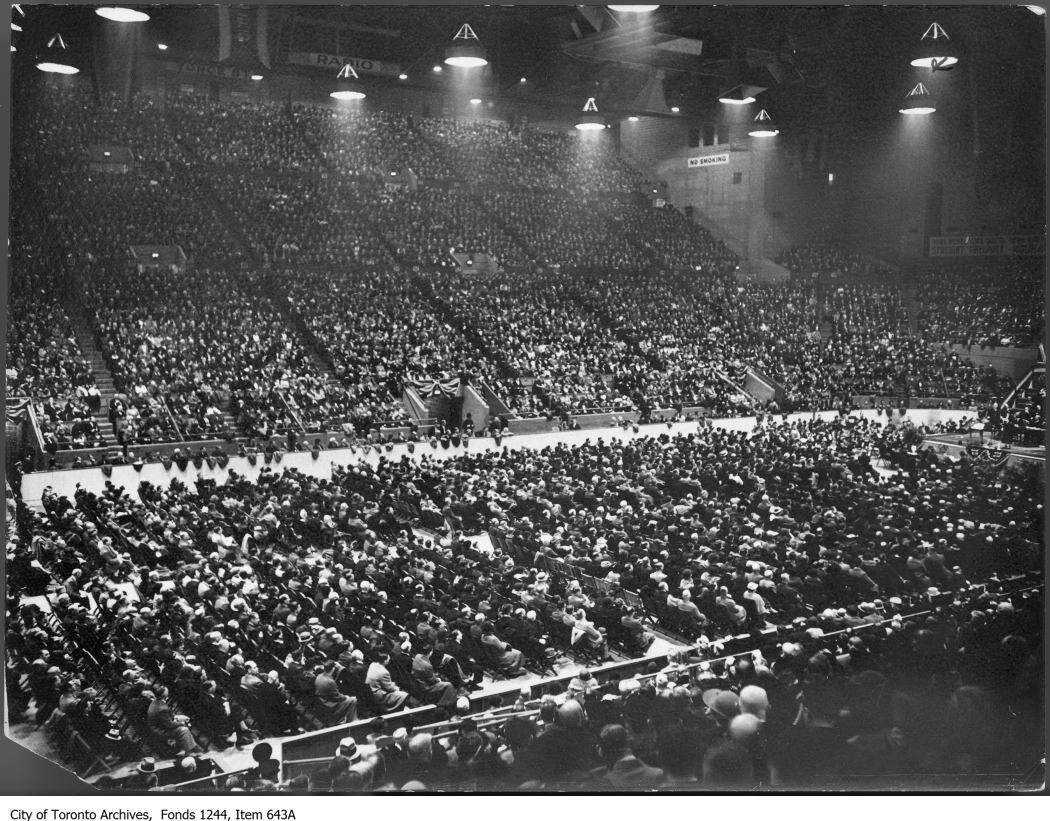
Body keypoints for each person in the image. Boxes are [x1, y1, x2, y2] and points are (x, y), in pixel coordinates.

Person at [314, 660, 358, 726]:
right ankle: (351, 721)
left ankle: (347, 719)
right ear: (333, 668)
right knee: (353, 700)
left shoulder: (319, 676)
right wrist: (346, 697)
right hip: (331, 706)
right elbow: (338, 697)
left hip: (323, 702)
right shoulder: (330, 682)